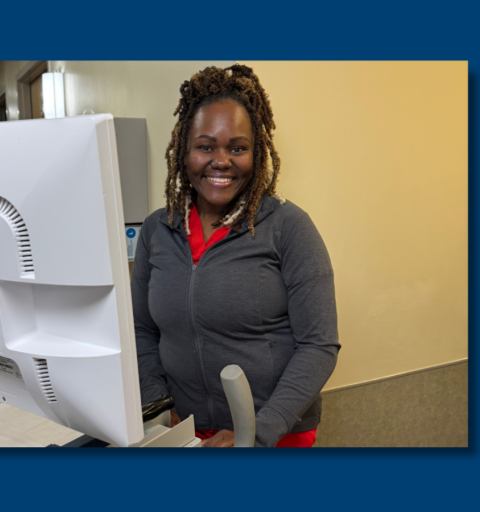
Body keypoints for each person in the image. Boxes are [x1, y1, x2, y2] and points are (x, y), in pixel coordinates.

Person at [131, 64, 340, 448]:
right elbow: (142, 330)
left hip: (275, 434)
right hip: (185, 432)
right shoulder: (157, 231)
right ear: (184, 151)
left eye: (238, 148)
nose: (221, 160)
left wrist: (257, 431)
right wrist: (157, 403)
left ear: (255, 155)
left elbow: (319, 345)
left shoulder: (289, 227)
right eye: (206, 146)